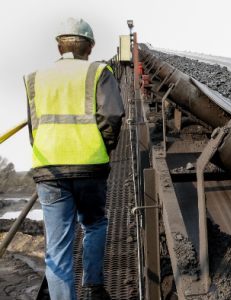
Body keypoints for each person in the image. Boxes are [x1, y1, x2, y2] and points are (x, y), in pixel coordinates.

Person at [24, 17, 125, 300]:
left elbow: (34, 127)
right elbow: (112, 115)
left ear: (59, 47)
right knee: (94, 224)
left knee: (57, 249)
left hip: (49, 169)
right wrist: (105, 146)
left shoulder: (35, 78)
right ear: (89, 47)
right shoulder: (98, 72)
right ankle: (93, 286)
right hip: (90, 165)